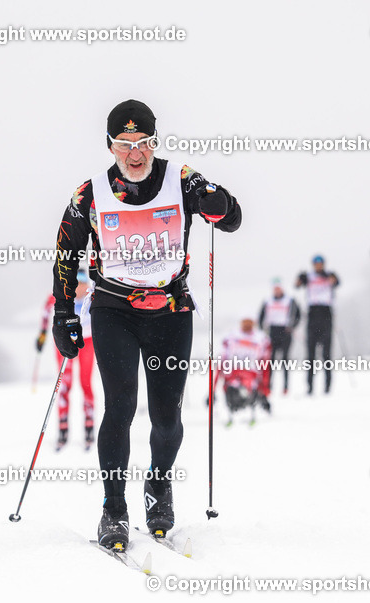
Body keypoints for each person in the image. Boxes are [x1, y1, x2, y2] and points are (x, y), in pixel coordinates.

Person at [50, 99, 242, 550]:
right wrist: (63, 313)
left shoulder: (181, 179)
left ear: (155, 142)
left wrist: (220, 203)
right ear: (111, 146)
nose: (135, 154)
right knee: (119, 406)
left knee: (165, 414)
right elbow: (65, 252)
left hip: (170, 310)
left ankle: (159, 485)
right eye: (124, 144)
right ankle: (113, 508)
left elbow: (231, 219)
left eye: (144, 143)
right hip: (114, 309)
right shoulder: (90, 193)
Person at [37, 270, 95, 450]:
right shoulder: (62, 294)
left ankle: (89, 427)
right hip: (64, 342)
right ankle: (63, 429)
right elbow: (47, 309)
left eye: (83, 285)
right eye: (76, 285)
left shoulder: (91, 295)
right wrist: (42, 335)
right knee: (64, 384)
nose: (79, 289)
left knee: (85, 383)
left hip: (87, 342)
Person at [214, 318, 272, 425]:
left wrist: (264, 390)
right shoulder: (231, 337)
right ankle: (231, 409)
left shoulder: (261, 339)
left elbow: (265, 366)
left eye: (250, 323)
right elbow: (221, 361)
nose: (247, 326)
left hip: (250, 377)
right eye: (245, 323)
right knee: (232, 387)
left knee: (248, 388)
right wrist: (213, 389)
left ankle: (249, 406)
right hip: (233, 376)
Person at [295, 255, 340, 394]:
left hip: (326, 314)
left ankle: (327, 386)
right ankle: (310, 386)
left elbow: (337, 282)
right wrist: (300, 278)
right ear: (313, 265)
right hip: (312, 314)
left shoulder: (329, 275)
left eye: (320, 263)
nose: (318, 266)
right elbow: (296, 285)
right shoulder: (308, 276)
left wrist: (332, 278)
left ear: (324, 264)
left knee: (326, 354)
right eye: (316, 263)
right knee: (310, 354)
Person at [257, 279, 300, 394]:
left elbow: (298, 315)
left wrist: (292, 326)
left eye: (279, 288)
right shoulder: (268, 301)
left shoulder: (290, 300)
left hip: (285, 332)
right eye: (275, 289)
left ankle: (285, 387)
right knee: (270, 361)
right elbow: (261, 317)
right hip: (272, 332)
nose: (277, 291)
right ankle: (268, 386)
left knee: (285, 360)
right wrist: (262, 330)